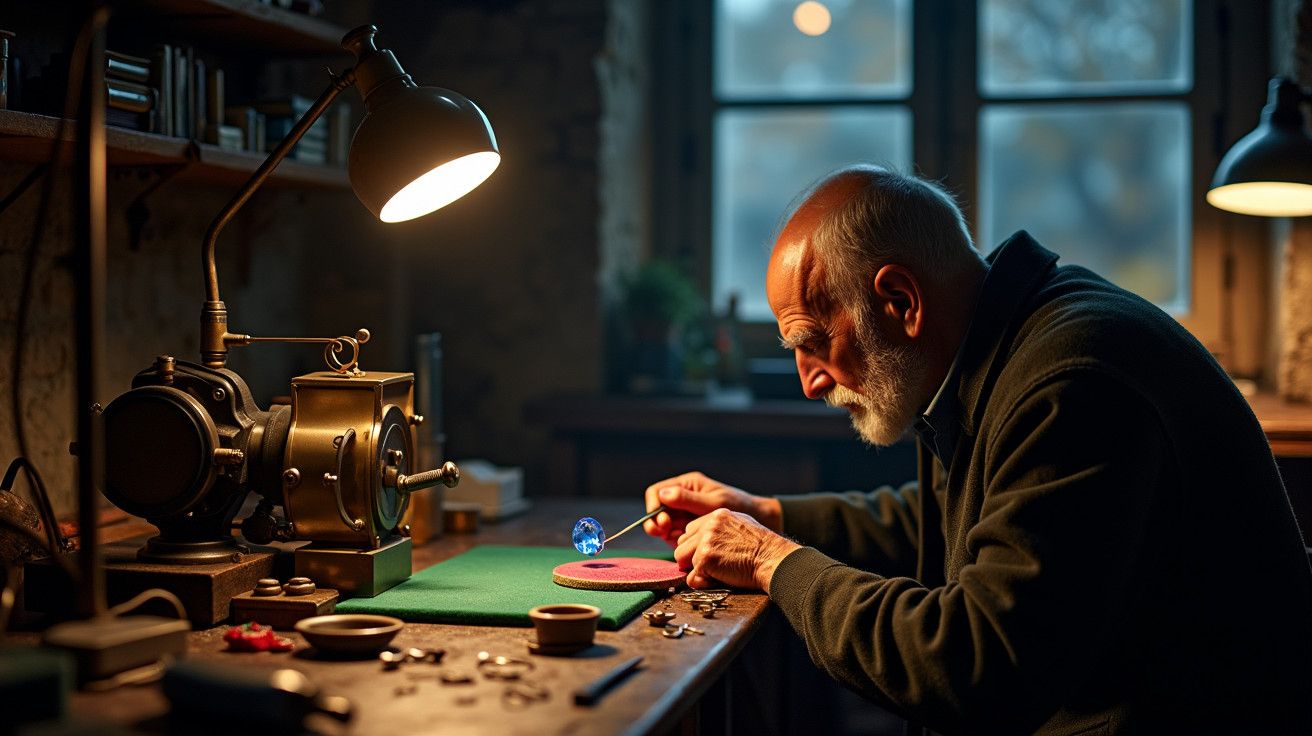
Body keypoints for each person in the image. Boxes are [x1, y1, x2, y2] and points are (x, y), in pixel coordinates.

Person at [642, 165, 1312, 734]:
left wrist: (772, 561)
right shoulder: (1002, 341)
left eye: (813, 342)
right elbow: (948, 518)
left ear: (900, 300)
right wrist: (766, 515)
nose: (810, 383)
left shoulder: (1074, 379)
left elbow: (976, 667)